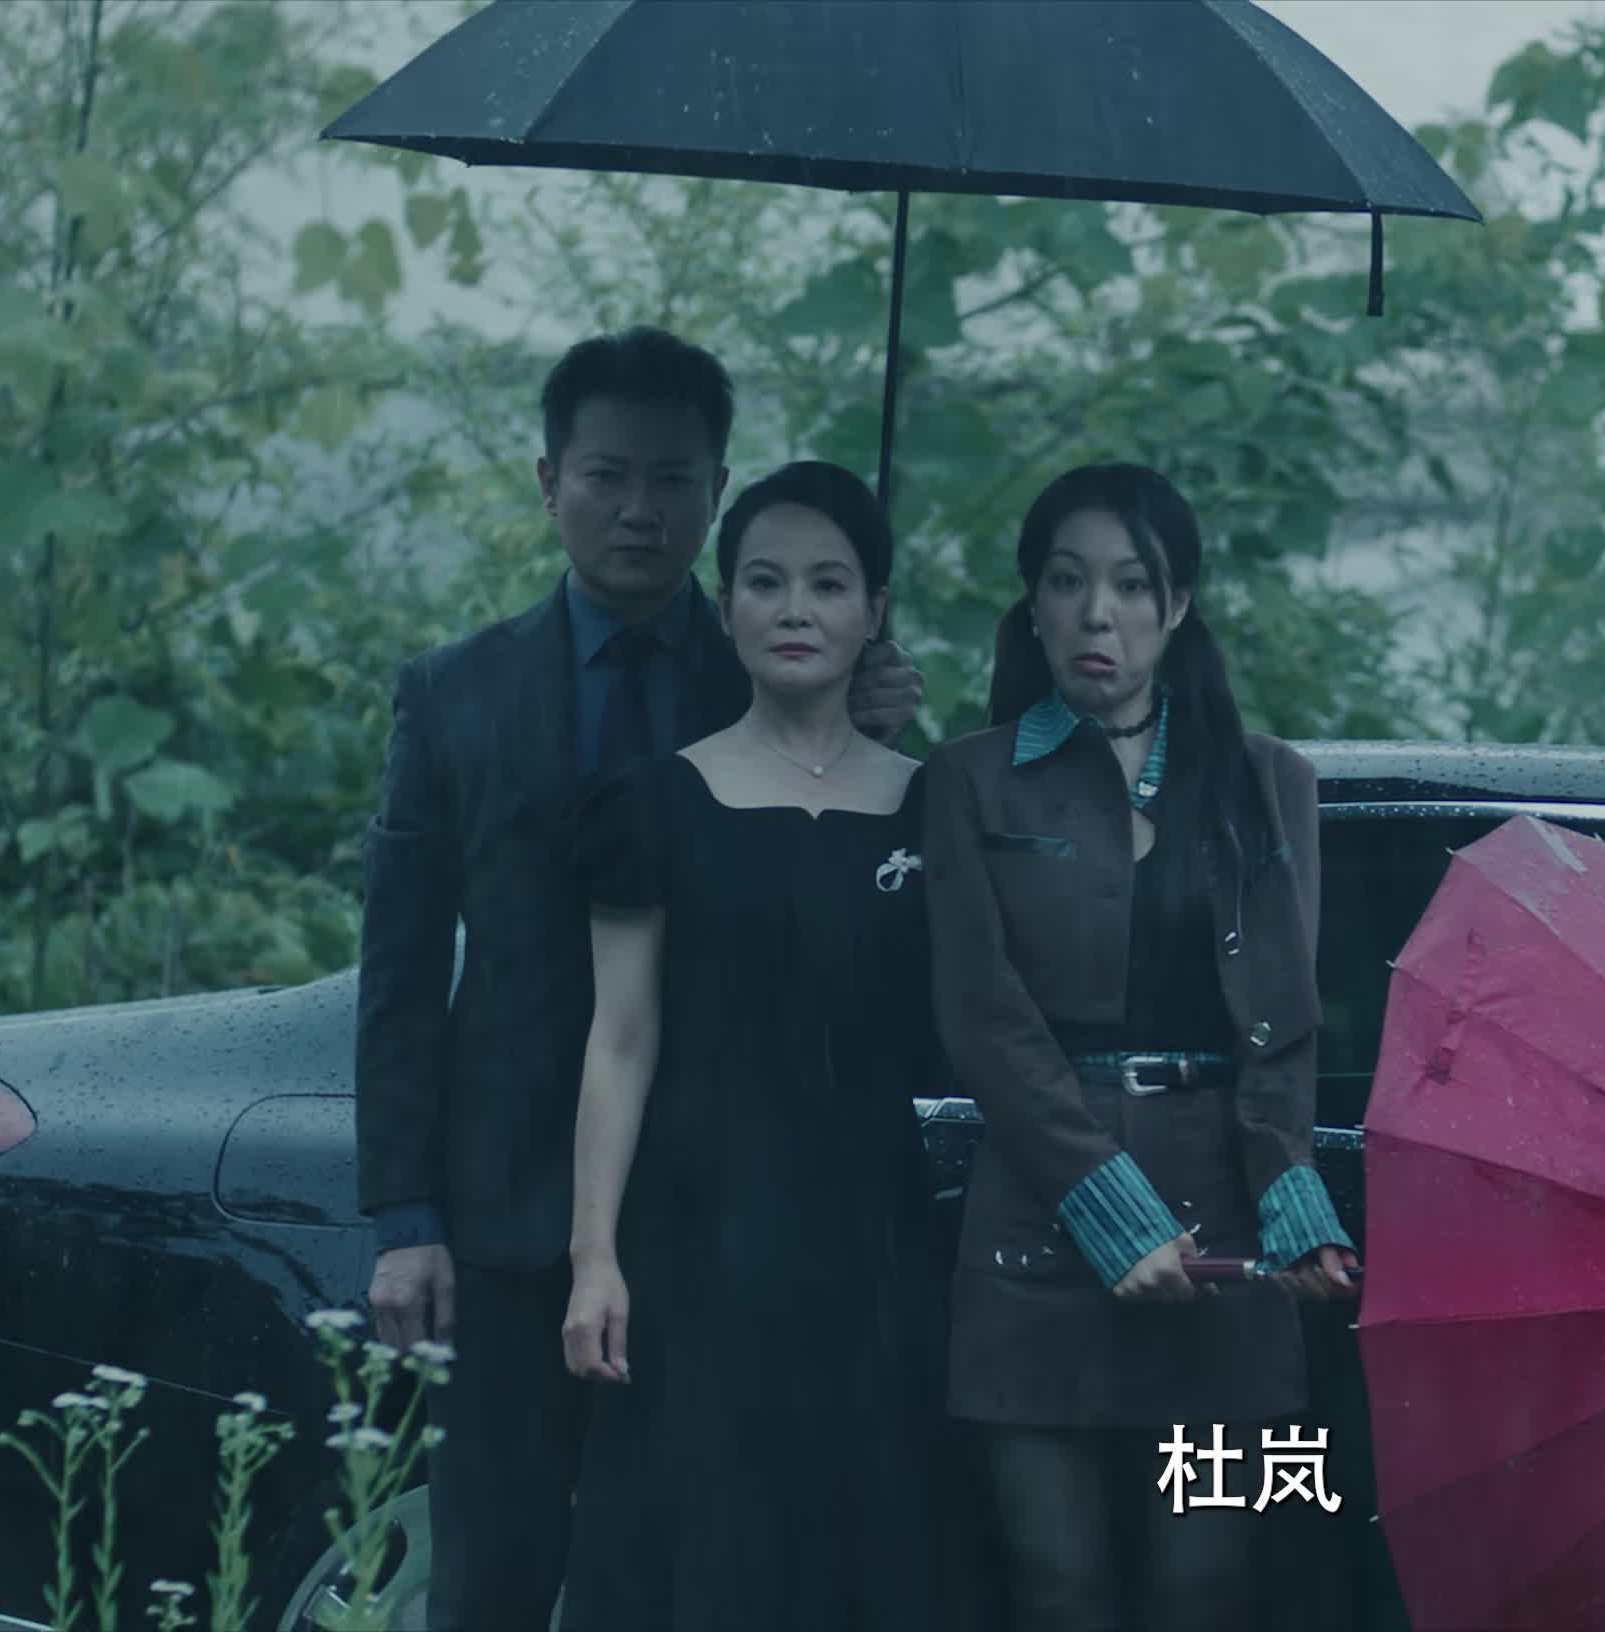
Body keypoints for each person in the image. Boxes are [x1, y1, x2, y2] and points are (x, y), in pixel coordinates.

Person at [350, 328, 924, 1632]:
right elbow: (400, 969)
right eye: (608, 475)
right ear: (548, 480)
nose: (639, 510)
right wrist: (406, 1218)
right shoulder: (453, 696)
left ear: (717, 492)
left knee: (700, 1567)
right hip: (506, 1209)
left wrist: (857, 728)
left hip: (722, 1210)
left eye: (674, 480)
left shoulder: (781, 671)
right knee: (492, 1566)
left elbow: (853, 936)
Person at [919, 462, 1362, 1632]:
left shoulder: (1268, 782)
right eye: (1067, 583)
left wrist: (1295, 1204)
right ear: (1033, 603)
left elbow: (1282, 1027)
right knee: (1056, 1587)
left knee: (1203, 1591)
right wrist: (1107, 1206)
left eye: (1129, 584)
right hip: (1034, 1232)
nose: (1097, 614)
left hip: (1221, 1237)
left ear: (1177, 605)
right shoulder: (969, 780)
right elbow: (982, 1018)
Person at [553, 458, 980, 1630]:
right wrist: (595, 1259)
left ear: (875, 612)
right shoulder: (652, 803)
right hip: (702, 1245)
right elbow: (619, 1041)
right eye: (765, 581)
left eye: (829, 584)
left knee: (873, 1552)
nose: (796, 609)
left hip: (882, 1244)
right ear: (725, 603)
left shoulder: (938, 806)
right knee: (712, 1550)